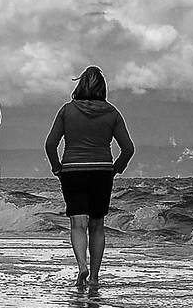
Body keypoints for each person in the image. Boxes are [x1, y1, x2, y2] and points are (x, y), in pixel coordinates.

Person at [44, 66, 134, 287]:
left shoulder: (67, 110)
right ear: (103, 88)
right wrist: (115, 168)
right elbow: (128, 148)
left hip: (73, 171)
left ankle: (81, 265)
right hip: (102, 171)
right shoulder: (112, 113)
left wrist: (57, 168)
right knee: (97, 225)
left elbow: (50, 143)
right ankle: (94, 276)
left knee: (77, 223)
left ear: (80, 85)